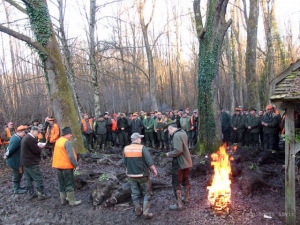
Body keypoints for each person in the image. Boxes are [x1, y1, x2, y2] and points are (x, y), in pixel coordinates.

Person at [123, 133, 158, 219]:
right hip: (143, 175)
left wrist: (127, 170)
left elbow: (125, 162)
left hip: (131, 175)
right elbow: (149, 161)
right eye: (140, 138)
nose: (141, 140)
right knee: (147, 192)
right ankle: (146, 212)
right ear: (137, 139)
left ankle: (138, 210)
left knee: (134, 193)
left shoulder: (126, 148)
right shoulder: (142, 148)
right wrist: (154, 170)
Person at [164, 119, 192, 211]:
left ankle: (179, 205)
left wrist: (169, 154)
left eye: (168, 131)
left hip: (179, 163)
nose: (169, 133)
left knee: (176, 183)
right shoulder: (183, 132)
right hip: (187, 161)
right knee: (185, 179)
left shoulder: (176, 135)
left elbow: (178, 151)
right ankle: (187, 199)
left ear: (171, 128)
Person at [52, 127, 81, 206]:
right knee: (69, 183)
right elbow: (71, 156)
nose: (71, 135)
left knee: (61, 183)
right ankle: (72, 201)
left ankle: (63, 200)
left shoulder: (58, 141)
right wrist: (76, 165)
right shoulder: (67, 142)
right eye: (70, 134)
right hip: (66, 166)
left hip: (58, 166)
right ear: (67, 134)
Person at [21, 126, 51, 200]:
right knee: (38, 178)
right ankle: (41, 194)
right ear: (33, 131)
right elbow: (36, 150)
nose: (37, 135)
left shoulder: (25, 137)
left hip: (25, 162)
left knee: (28, 179)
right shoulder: (30, 139)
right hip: (31, 162)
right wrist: (40, 147)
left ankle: (30, 193)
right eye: (37, 133)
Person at [4, 125, 28, 194]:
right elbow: (11, 149)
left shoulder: (16, 137)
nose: (25, 134)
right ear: (19, 132)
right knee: (16, 174)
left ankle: (18, 186)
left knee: (19, 174)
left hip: (16, 160)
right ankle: (16, 189)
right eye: (24, 132)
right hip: (14, 161)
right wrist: (6, 155)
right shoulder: (16, 139)